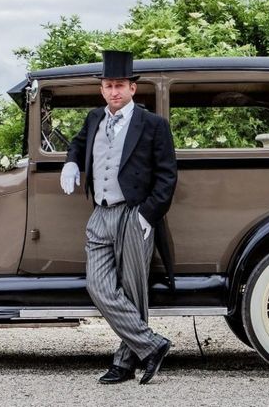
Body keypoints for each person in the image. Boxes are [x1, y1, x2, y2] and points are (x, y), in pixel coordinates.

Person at [60, 50, 178, 385]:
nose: (114, 91)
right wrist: (71, 161)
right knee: (98, 286)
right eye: (109, 85)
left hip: (133, 214)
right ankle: (151, 345)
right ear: (102, 90)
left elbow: (167, 177)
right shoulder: (95, 118)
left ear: (132, 89)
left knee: (132, 290)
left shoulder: (153, 125)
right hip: (100, 213)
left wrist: (146, 216)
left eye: (120, 86)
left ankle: (125, 363)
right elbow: (78, 145)